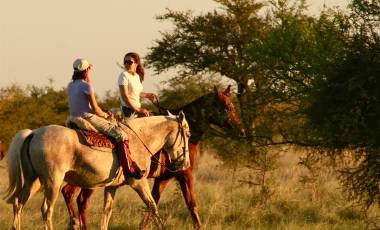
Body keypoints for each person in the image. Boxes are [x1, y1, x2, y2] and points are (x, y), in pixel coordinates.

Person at [67, 58, 143, 179]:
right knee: (121, 135)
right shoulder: (87, 86)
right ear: (86, 70)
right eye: (89, 69)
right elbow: (95, 109)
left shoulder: (70, 85)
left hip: (72, 117)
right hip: (86, 117)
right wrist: (106, 115)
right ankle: (128, 169)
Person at [118, 52, 157, 117]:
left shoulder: (136, 76)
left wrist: (148, 95)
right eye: (125, 62)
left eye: (129, 62)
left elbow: (136, 93)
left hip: (136, 109)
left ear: (136, 64)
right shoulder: (123, 75)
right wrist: (138, 110)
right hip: (128, 110)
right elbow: (125, 96)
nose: (127, 64)